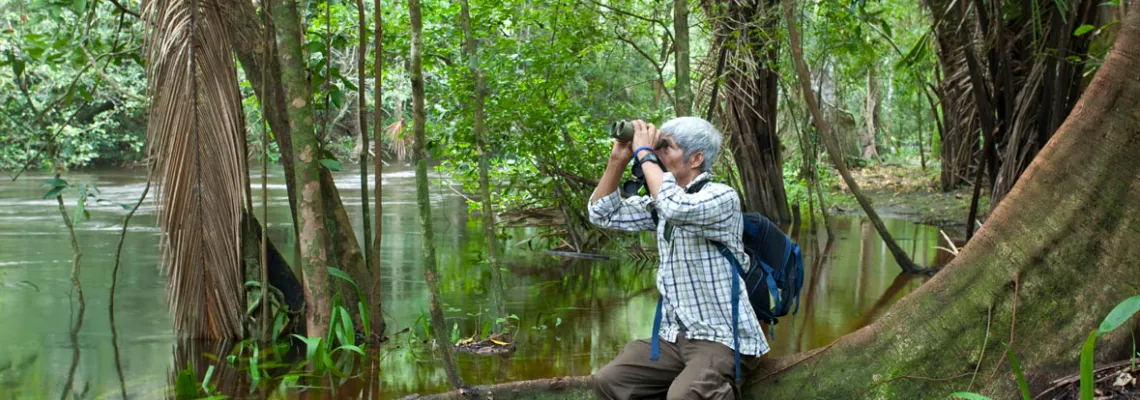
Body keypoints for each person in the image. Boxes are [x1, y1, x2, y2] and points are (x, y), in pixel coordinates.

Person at [588, 117, 767, 400]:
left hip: (723, 339)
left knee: (684, 396)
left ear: (696, 159)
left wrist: (645, 153)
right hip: (674, 338)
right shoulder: (661, 204)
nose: (657, 153)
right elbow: (602, 213)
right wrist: (618, 158)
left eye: (665, 147)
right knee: (609, 380)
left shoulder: (721, 197)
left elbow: (677, 209)